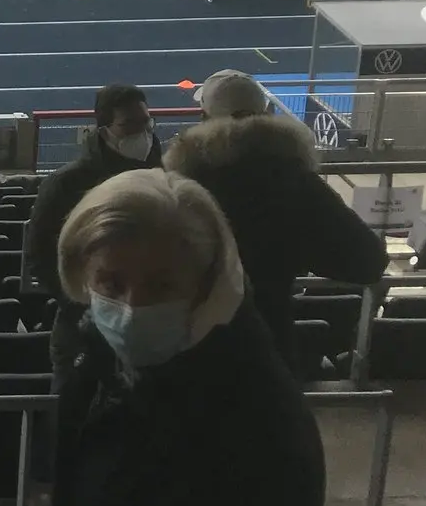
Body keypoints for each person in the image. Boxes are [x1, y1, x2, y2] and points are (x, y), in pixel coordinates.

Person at [48, 169, 324, 506]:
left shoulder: (260, 424)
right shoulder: (98, 367)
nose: (132, 308)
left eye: (162, 286)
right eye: (110, 282)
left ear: (207, 288)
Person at [164, 68, 387, 357]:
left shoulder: (181, 182)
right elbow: (367, 261)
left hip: (189, 346)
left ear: (204, 119)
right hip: (268, 345)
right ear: (267, 114)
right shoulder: (294, 180)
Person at [24, 83, 166, 383]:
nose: (141, 132)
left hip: (151, 327)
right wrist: (84, 301)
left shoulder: (164, 177)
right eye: (129, 125)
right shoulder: (65, 185)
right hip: (83, 329)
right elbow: (40, 254)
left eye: (146, 122)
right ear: (105, 130)